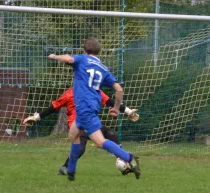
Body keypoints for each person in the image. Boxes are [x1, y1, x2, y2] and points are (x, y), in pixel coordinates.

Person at [47, 37, 141, 181]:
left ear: (85, 50)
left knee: (99, 141)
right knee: (73, 135)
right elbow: (119, 89)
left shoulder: (83, 59)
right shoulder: (103, 68)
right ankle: (70, 172)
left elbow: (69, 59)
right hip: (88, 107)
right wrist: (116, 108)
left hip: (85, 107)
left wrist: (55, 56)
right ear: (99, 51)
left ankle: (129, 157)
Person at [22, 87, 140, 176]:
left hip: (91, 124)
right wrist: (36, 118)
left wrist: (128, 111)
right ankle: (65, 168)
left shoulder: (94, 91)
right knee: (81, 148)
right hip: (76, 127)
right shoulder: (69, 94)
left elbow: (110, 101)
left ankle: (124, 159)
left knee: (111, 134)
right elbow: (54, 107)